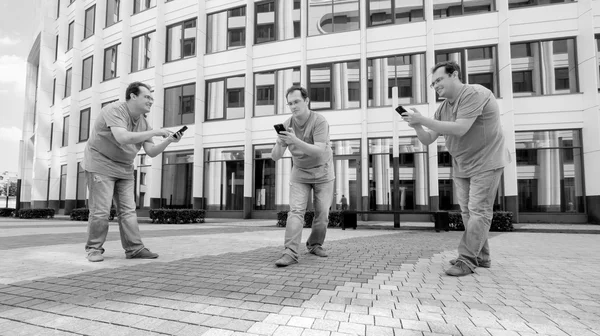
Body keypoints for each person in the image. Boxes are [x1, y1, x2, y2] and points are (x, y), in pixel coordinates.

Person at [401, 61, 508, 277]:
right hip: (463, 164)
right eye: (433, 84)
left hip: (487, 161)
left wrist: (423, 119)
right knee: (468, 213)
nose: (436, 86)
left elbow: (460, 128)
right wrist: (417, 125)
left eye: (439, 80)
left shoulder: (475, 94)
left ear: (454, 75)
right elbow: (428, 140)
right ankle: (482, 256)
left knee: (479, 211)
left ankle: (467, 260)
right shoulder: (443, 108)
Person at [83, 82, 183, 262]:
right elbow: (122, 137)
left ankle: (134, 249)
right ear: (132, 96)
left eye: (152, 98)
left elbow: (151, 151)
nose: (151, 101)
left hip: (124, 168)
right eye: (147, 97)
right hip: (100, 163)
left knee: (128, 211)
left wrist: (168, 140)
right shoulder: (114, 110)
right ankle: (94, 249)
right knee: (101, 211)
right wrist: (156, 131)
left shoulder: (144, 122)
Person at [271, 85, 335, 267]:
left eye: (297, 101)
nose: (293, 106)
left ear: (306, 101)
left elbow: (318, 151)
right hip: (300, 173)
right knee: (296, 212)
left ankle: (314, 244)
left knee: (322, 214)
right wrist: (279, 142)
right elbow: (275, 156)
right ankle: (290, 252)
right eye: (290, 103)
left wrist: (294, 140)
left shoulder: (319, 121)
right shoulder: (286, 125)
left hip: (323, 172)